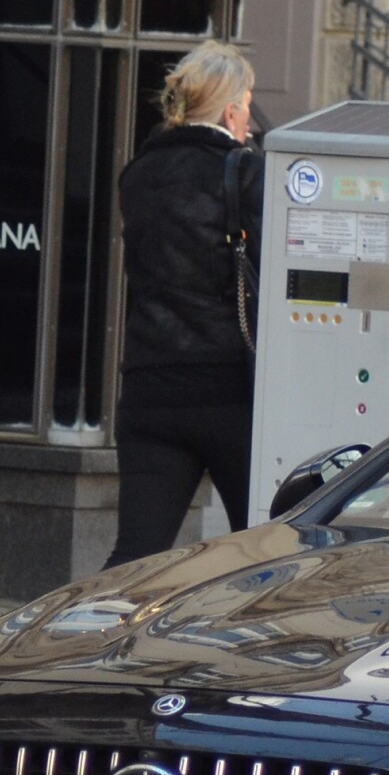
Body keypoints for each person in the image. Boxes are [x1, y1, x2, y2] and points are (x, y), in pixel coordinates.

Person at [106, 41, 261, 567]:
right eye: (248, 105)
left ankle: (83, 639)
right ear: (232, 109)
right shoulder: (243, 172)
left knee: (135, 556)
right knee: (264, 550)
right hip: (227, 393)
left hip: (149, 388)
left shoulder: (139, 173)